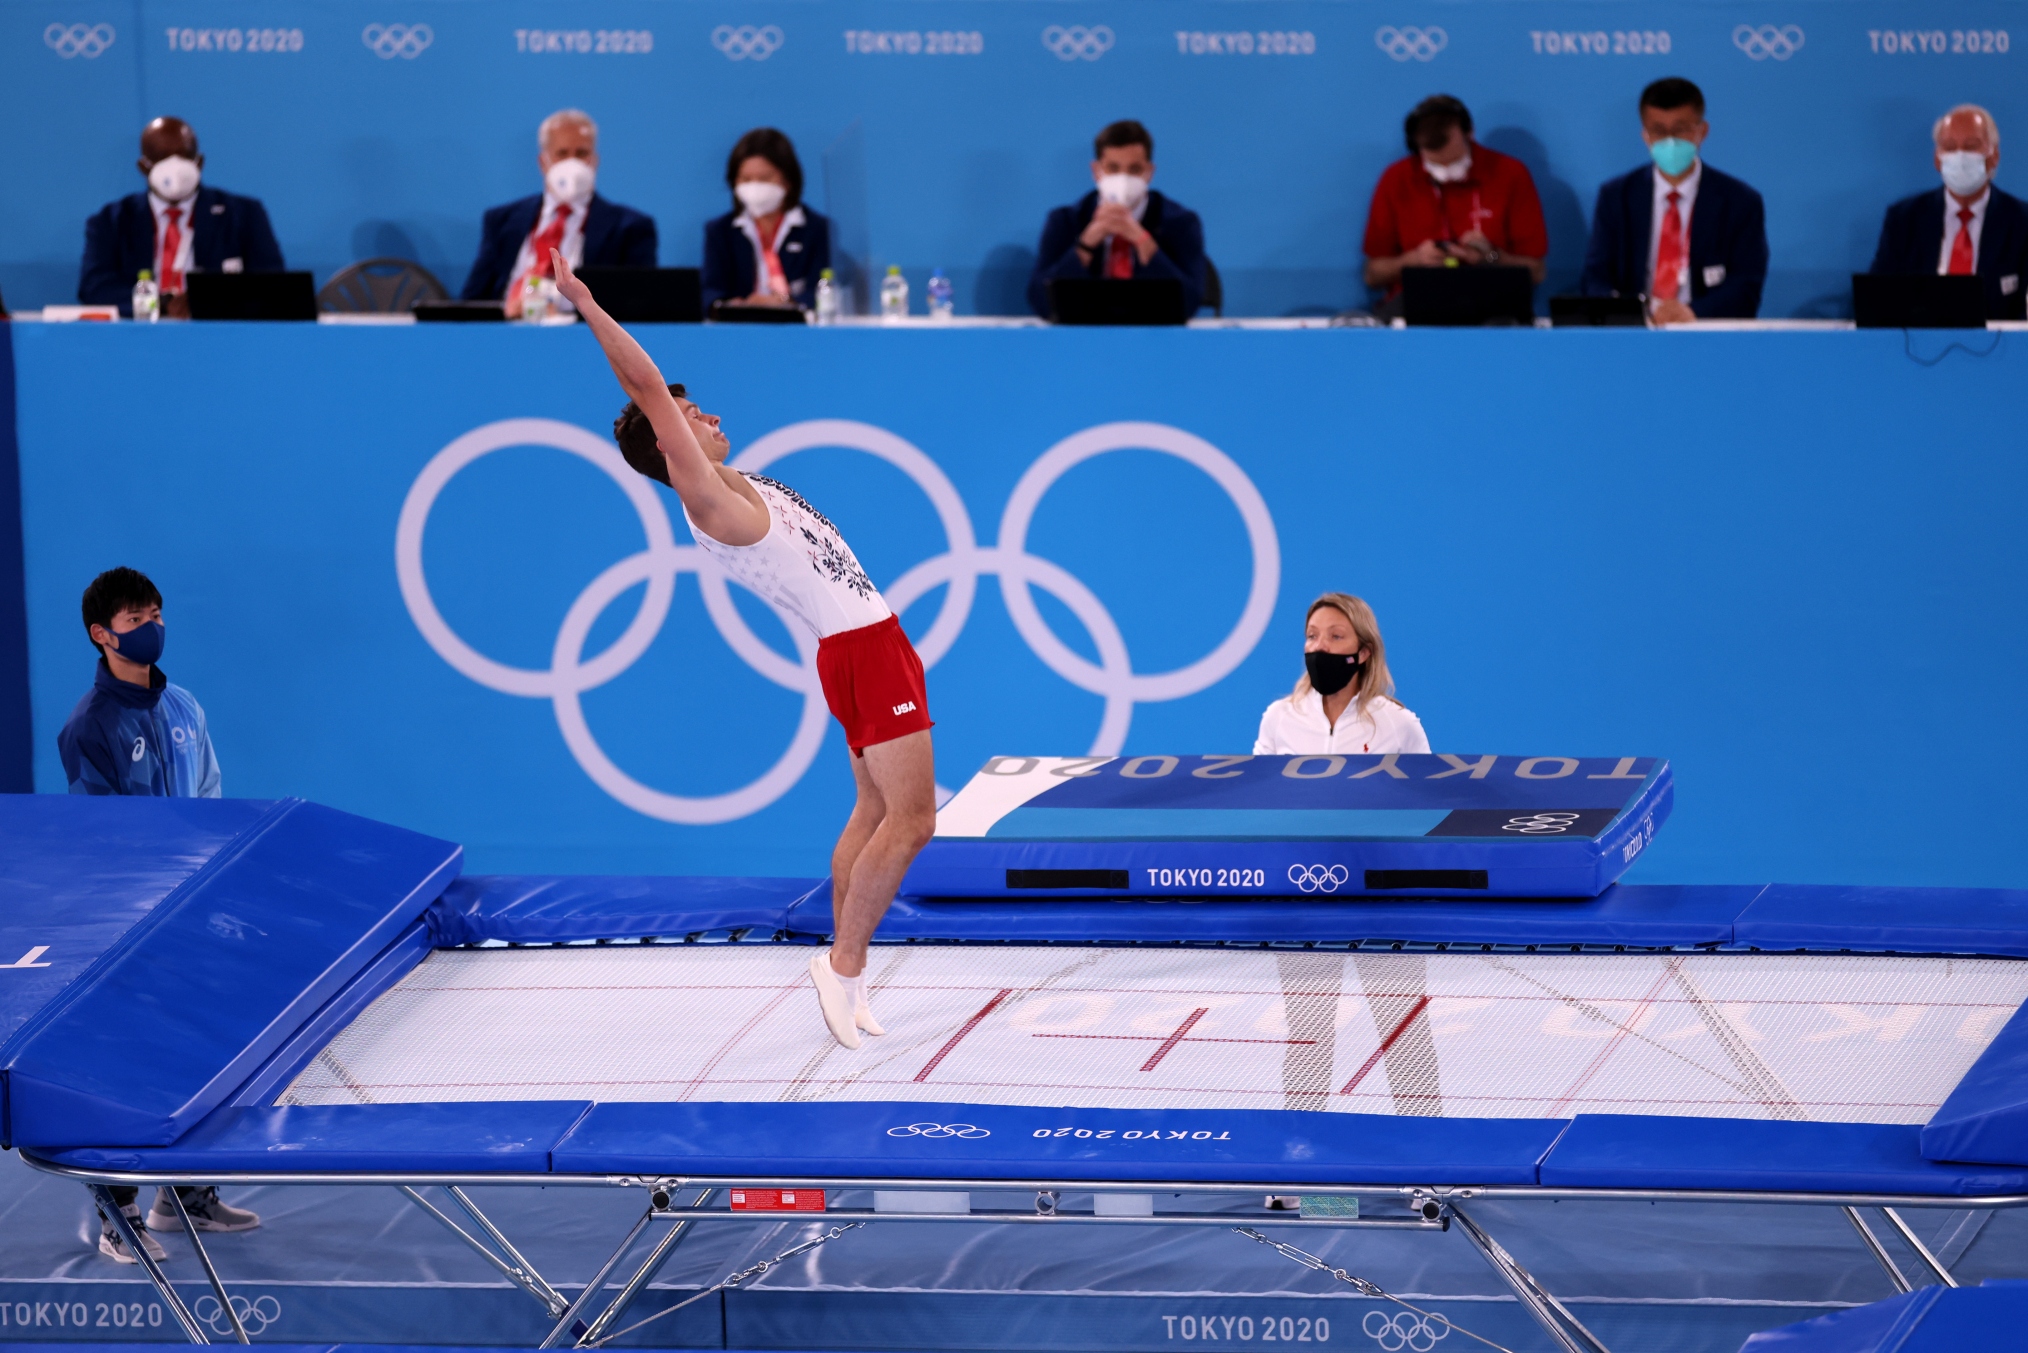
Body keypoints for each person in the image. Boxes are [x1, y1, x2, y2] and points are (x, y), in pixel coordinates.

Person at [551, 249, 935, 1051]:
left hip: (864, 643)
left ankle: (849, 977)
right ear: (668, 446)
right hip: (862, 650)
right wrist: (587, 306)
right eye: (692, 416)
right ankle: (844, 965)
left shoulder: (741, 483)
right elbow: (648, 390)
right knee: (913, 819)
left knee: (872, 809)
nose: (709, 414)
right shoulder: (704, 498)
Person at [56, 568, 258, 1262]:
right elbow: (101, 840)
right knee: (127, 1067)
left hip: (195, 911)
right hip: (130, 924)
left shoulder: (187, 709)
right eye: (135, 616)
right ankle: (121, 1216)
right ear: (101, 633)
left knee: (204, 1050)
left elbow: (213, 798)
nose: (151, 624)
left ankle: (186, 1195)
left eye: (156, 612)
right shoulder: (89, 727)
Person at [1579, 78, 1767, 322]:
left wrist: (1693, 312)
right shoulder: (1617, 196)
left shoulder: (1740, 201)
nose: (1670, 141)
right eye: (1658, 131)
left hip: (1706, 330)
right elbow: (1595, 277)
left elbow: (1746, 286)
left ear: (1702, 131)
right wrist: (1629, 313)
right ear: (1645, 136)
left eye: (1680, 130)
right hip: (1636, 332)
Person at [79, 117, 284, 317]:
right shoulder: (111, 221)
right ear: (143, 167)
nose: (174, 168)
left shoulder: (242, 215)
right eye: (161, 158)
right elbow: (94, 287)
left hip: (216, 334)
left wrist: (206, 301)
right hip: (141, 334)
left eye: (184, 156)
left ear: (199, 162)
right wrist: (160, 304)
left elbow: (272, 284)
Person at [460, 109, 657, 317]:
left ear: (595, 160)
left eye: (581, 154)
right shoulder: (501, 221)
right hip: (510, 332)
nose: (572, 164)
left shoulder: (630, 228)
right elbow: (472, 301)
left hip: (584, 338)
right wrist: (505, 312)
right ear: (543, 162)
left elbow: (639, 308)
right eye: (562, 154)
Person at [1362, 95, 1548, 302]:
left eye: (1454, 162)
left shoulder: (1510, 173)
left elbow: (1536, 271)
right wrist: (1415, 260)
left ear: (1470, 134)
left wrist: (1491, 257)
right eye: (1434, 164)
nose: (1445, 172)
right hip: (1416, 302)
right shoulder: (1397, 178)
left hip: (1493, 302)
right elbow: (1373, 274)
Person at [1027, 120, 1207, 318]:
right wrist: (1086, 243)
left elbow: (1189, 304)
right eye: (1113, 168)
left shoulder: (1181, 223)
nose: (1123, 179)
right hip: (1084, 338)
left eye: (1134, 170)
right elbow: (1040, 303)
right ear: (1096, 171)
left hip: (1153, 338)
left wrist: (1142, 241)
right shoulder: (1065, 222)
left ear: (1149, 172)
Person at [1870, 104, 2027, 318]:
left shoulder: (2021, 222)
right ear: (1937, 159)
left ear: (1994, 156)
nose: (1960, 156)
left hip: (2000, 347)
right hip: (1919, 346)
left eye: (1971, 146)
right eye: (1950, 147)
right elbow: (1878, 300)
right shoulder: (1905, 220)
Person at [1254, 593, 1428, 756]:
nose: (1319, 646)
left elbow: (1425, 788)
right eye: (1312, 636)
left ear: (1364, 652)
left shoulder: (1398, 724)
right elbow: (1259, 787)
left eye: (1336, 636)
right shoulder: (1279, 717)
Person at [702, 128, 832, 311]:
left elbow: (823, 289)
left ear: (788, 180)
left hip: (797, 329)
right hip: (739, 329)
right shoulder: (720, 231)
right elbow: (710, 291)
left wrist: (789, 303)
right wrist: (732, 306)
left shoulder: (817, 229)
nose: (754, 187)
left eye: (764, 178)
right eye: (745, 179)